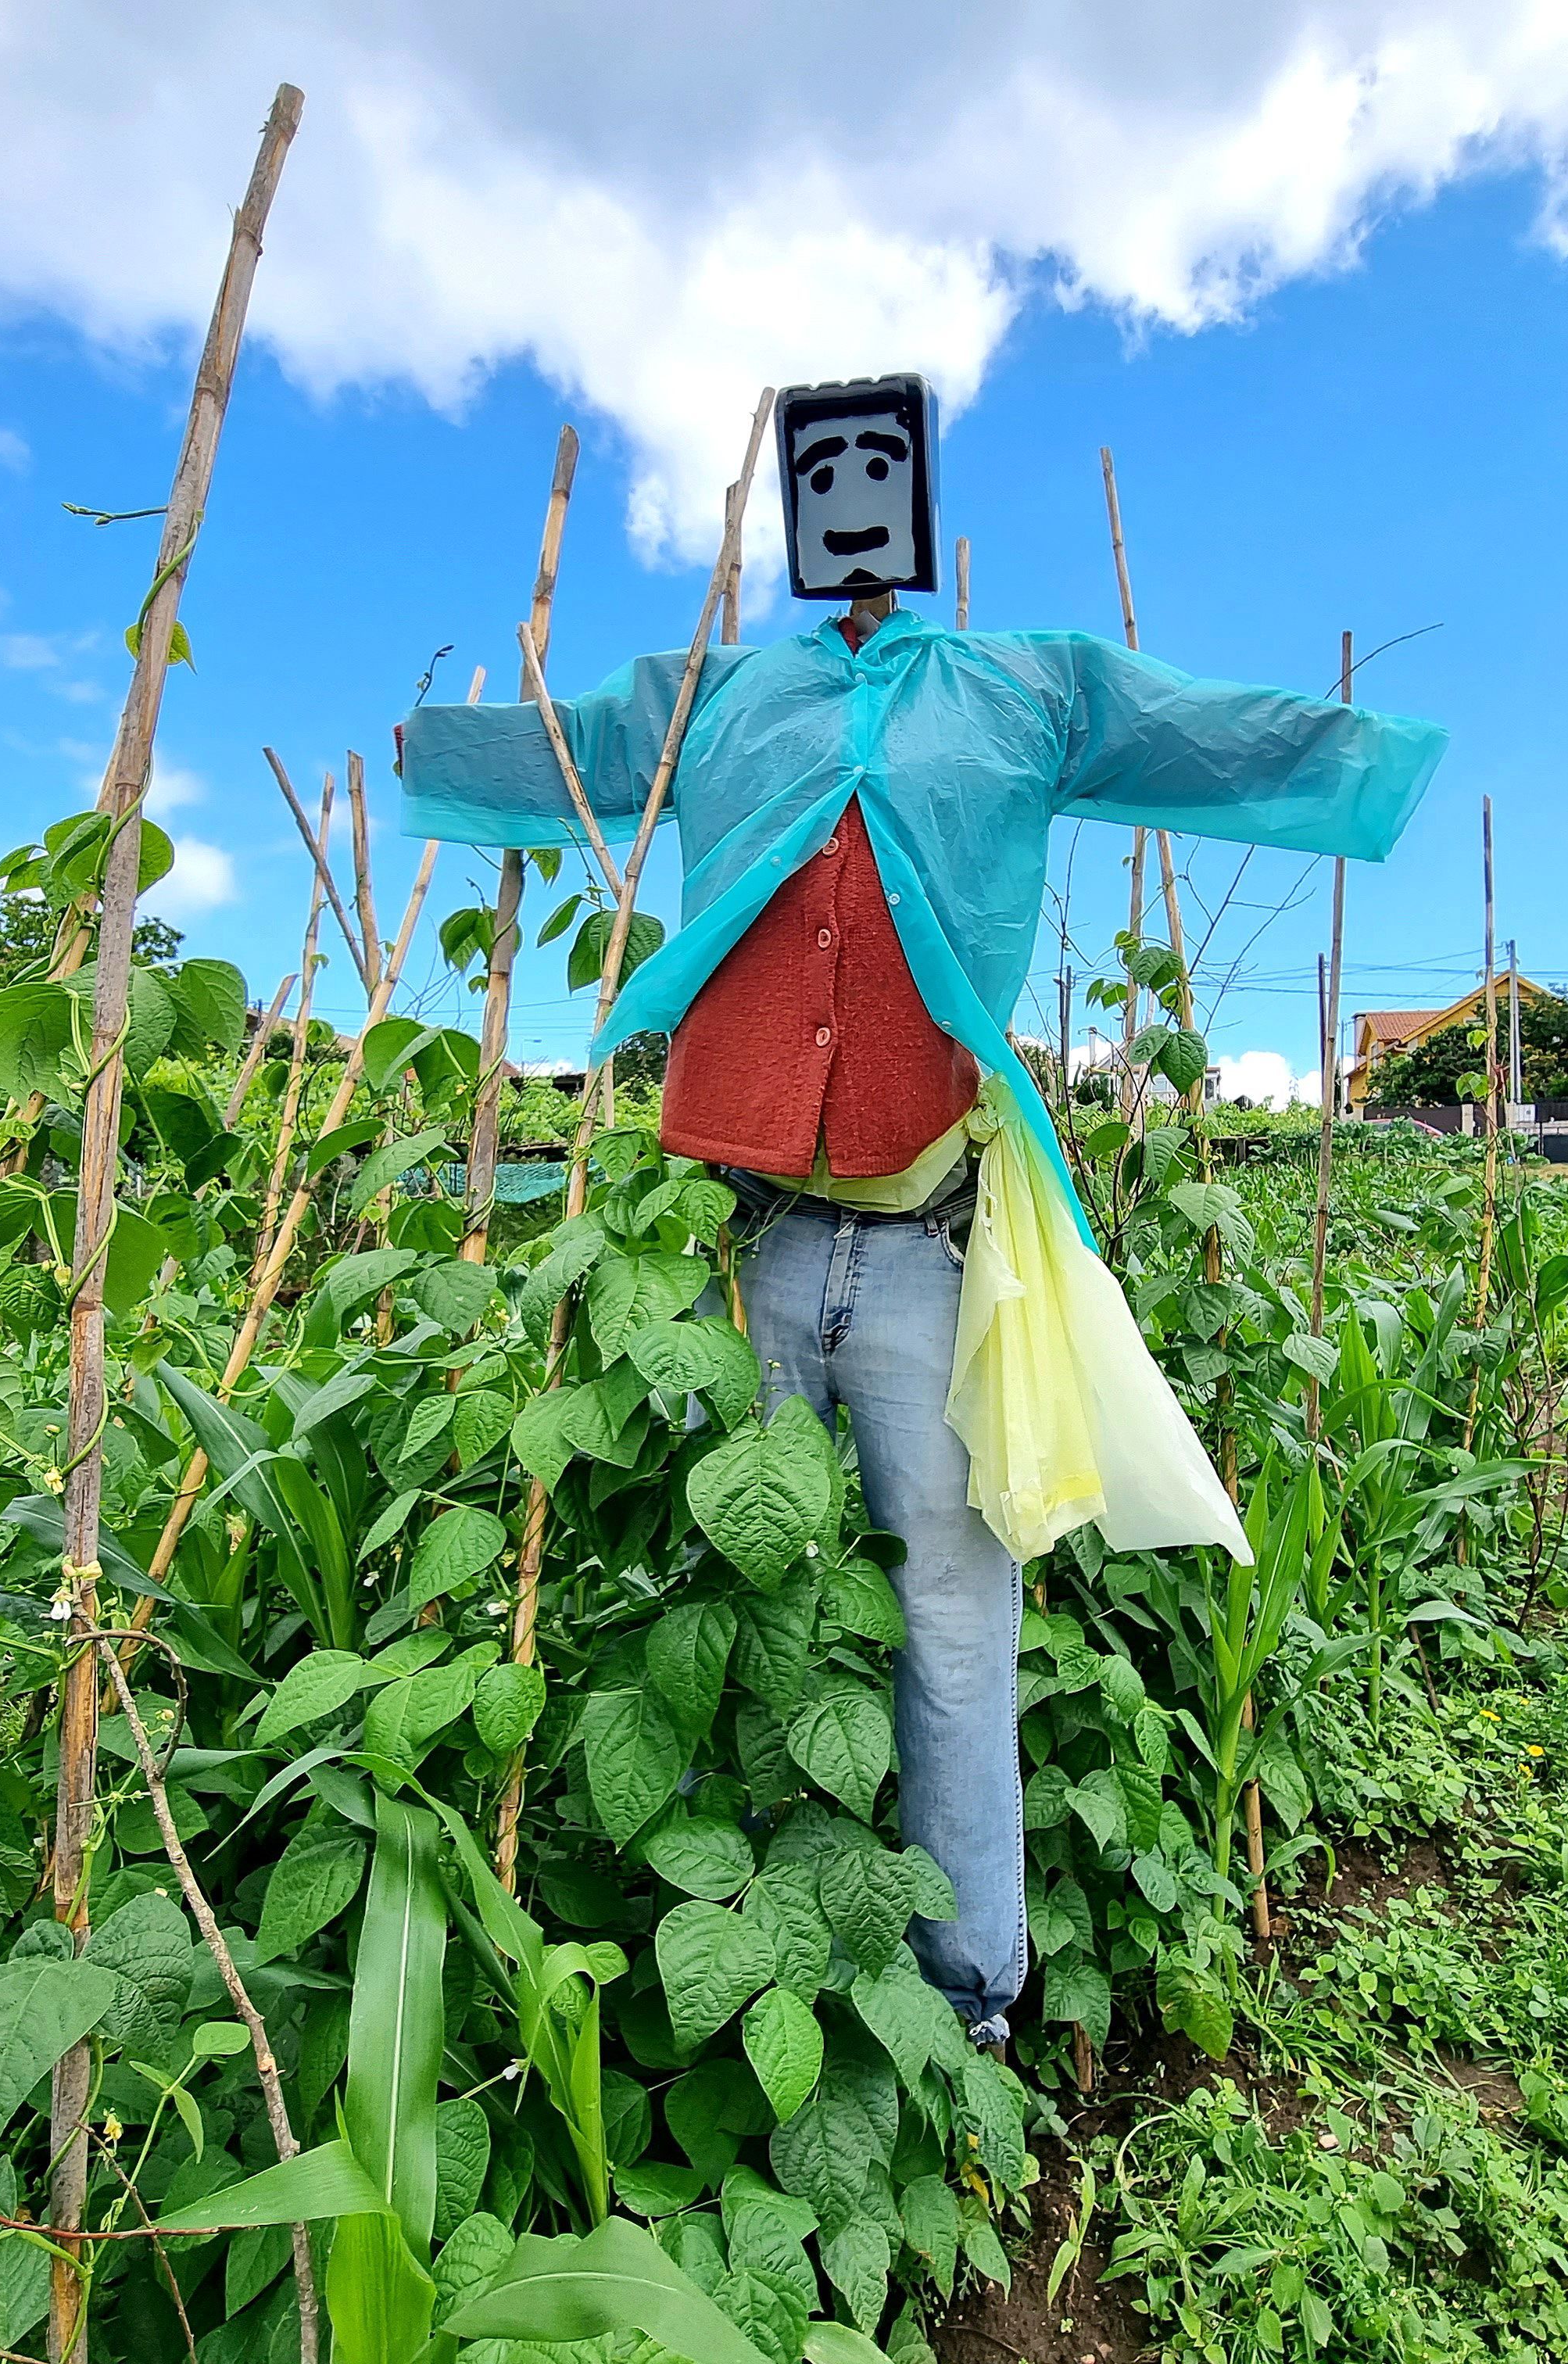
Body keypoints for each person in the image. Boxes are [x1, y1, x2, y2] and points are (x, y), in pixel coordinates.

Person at [401, 378, 1446, 2044]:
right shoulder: (725, 696)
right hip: (727, 1247)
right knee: (718, 1606)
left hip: (921, 1252)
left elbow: (1190, 725)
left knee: (951, 1631)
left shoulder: (1014, 686)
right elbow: (581, 747)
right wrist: (427, 742)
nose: (855, 508)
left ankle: (972, 1994)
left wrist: (1362, 754)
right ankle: (727, 1963)